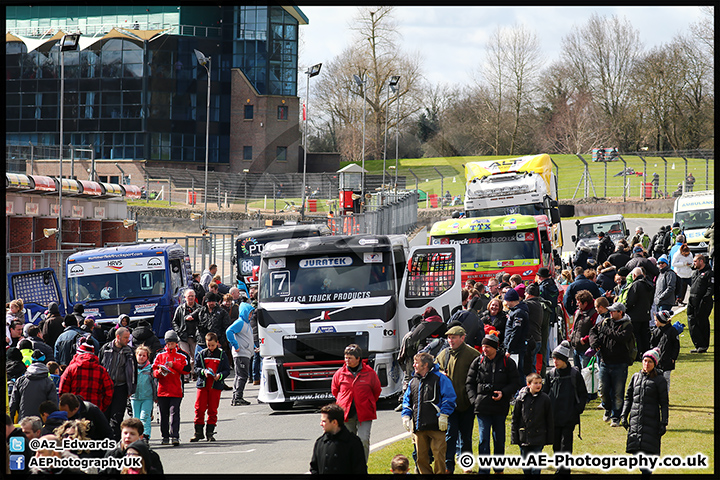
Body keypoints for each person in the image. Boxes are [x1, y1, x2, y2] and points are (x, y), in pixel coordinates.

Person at [466, 334, 519, 474]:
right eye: (483, 346)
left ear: (495, 347)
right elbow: (469, 383)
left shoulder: (508, 362)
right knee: (483, 439)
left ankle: (498, 469)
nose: (484, 349)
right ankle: (484, 470)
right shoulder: (477, 362)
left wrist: (503, 393)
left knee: (499, 439)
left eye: (487, 346)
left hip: (500, 407)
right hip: (482, 407)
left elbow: (515, 382)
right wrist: (474, 400)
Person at [401, 352, 456, 475]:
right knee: (421, 458)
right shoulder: (413, 381)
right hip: (419, 426)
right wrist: (406, 415)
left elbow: (450, 397)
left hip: (437, 426)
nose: (414, 365)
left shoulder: (441, 378)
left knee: (439, 456)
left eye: (416, 363)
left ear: (425, 365)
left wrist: (444, 414)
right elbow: (407, 400)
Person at [435, 325, 480, 473]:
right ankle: (449, 467)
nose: (451, 340)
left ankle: (466, 465)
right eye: (449, 338)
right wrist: (441, 373)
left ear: (462, 338)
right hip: (449, 405)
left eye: (454, 337)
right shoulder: (443, 354)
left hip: (467, 403)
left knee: (466, 437)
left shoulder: (473, 354)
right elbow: (434, 371)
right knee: (450, 436)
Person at [542, 340, 588, 474]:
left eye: (558, 359)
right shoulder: (550, 375)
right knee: (556, 445)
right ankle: (559, 467)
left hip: (569, 416)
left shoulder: (574, 375)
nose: (554, 362)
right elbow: (544, 394)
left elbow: (583, 394)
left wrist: (577, 410)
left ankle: (564, 470)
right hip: (554, 417)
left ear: (565, 360)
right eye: (554, 358)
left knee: (565, 445)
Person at [621, 348, 669, 474]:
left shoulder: (660, 380)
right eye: (645, 361)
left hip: (651, 424)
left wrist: (664, 422)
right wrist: (623, 416)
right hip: (635, 423)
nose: (646, 364)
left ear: (655, 364)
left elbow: (664, 403)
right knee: (637, 455)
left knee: (647, 464)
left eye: (650, 362)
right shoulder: (635, 377)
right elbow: (628, 398)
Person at [331, 344, 381, 462]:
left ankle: (362, 466)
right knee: (346, 441)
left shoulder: (370, 373)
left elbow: (376, 391)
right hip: (346, 414)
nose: (347, 360)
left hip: (364, 413)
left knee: (363, 439)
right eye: (346, 357)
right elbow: (335, 390)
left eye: (350, 358)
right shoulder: (340, 373)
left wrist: (368, 402)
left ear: (358, 359)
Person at [589, 302, 633, 427]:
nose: (610, 313)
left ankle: (616, 416)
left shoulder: (627, 325)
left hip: (620, 363)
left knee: (618, 393)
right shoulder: (605, 322)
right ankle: (607, 408)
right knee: (603, 390)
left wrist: (605, 330)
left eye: (613, 311)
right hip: (604, 362)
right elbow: (593, 331)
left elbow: (621, 338)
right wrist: (594, 342)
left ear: (621, 312)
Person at [98, 326, 137, 441]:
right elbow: (99, 366)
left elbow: (133, 372)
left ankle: (115, 443)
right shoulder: (105, 349)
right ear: (118, 337)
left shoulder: (129, 352)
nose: (127, 340)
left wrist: (131, 389)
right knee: (105, 416)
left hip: (121, 388)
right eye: (125, 338)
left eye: (128, 338)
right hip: (106, 388)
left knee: (117, 418)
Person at [511, 372, 553, 475]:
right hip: (524, 437)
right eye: (536, 383)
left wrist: (549, 438)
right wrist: (514, 437)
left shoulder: (545, 399)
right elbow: (515, 418)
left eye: (540, 383)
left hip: (539, 437)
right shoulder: (521, 398)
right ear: (528, 384)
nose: (539, 385)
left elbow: (549, 419)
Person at [191, 332, 230, 442]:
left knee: (213, 409)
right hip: (203, 385)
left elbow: (226, 370)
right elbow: (196, 368)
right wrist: (203, 372)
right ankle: (198, 432)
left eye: (213, 345)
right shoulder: (202, 353)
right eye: (208, 345)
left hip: (215, 386)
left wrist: (220, 376)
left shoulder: (222, 355)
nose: (211, 347)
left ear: (217, 343)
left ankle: (210, 433)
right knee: (199, 408)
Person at [58, 338, 114, 413]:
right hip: (94, 409)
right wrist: (101, 408)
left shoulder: (71, 369)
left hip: (74, 409)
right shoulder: (102, 371)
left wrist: (68, 409)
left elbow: (62, 391)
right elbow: (109, 392)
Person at [309, 402, 367, 474]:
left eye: (324, 421)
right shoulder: (320, 443)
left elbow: (360, 470)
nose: (321, 424)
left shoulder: (353, 443)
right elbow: (314, 468)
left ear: (334, 422)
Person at [152, 330, 187, 446]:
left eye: (172, 343)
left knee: (174, 414)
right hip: (162, 391)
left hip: (176, 390)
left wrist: (174, 365)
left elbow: (186, 370)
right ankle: (165, 436)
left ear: (176, 343)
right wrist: (160, 372)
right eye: (168, 343)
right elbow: (153, 371)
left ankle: (175, 436)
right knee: (163, 415)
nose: (170, 345)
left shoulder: (182, 355)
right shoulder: (160, 355)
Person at [10, 350, 59, 421]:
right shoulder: (49, 382)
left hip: (24, 423)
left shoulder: (21, 380)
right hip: (41, 424)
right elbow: (53, 405)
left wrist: (10, 422)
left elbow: (13, 403)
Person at [225, 295, 254, 406]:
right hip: (241, 354)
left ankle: (237, 397)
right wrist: (235, 345)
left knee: (240, 375)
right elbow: (229, 331)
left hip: (244, 353)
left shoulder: (245, 323)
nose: (251, 315)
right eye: (249, 313)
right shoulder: (241, 322)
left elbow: (246, 338)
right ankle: (238, 397)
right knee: (242, 375)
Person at [624, 267, 655, 360]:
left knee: (636, 336)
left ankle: (637, 354)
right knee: (645, 335)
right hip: (645, 314)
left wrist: (626, 309)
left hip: (635, 315)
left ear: (634, 275)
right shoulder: (649, 284)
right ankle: (646, 352)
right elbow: (651, 300)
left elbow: (630, 301)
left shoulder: (635, 285)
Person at [687, 254, 713, 354]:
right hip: (692, 300)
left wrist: (704, 300)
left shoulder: (708, 273)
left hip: (703, 302)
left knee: (702, 322)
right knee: (692, 322)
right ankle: (698, 344)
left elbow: (711, 288)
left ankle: (703, 345)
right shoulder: (695, 273)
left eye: (695, 261)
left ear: (701, 261)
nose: (694, 263)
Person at [649, 310, 679, 393]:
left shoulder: (672, 331)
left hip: (667, 360)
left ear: (661, 321)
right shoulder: (656, 331)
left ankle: (664, 397)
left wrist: (673, 357)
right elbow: (652, 344)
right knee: (655, 379)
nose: (655, 322)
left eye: (656, 320)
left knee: (665, 379)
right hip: (657, 360)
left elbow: (676, 346)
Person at [130, 345, 156, 442]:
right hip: (135, 397)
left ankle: (145, 435)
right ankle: (136, 436)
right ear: (136, 355)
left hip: (147, 397)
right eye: (139, 355)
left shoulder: (150, 369)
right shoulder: (132, 367)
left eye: (144, 355)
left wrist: (155, 396)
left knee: (145, 417)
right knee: (136, 418)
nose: (141, 357)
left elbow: (154, 383)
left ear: (147, 357)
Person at [172, 289, 199, 381]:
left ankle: (194, 373)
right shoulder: (180, 309)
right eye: (189, 296)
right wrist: (178, 331)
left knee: (195, 356)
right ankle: (186, 376)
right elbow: (175, 322)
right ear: (185, 298)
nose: (191, 298)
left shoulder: (199, 308)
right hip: (183, 336)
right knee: (184, 356)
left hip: (195, 336)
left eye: (192, 296)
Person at [569, 290, 598, 372]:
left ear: (585, 303)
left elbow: (596, 331)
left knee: (586, 374)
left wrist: (585, 340)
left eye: (578, 302)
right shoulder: (578, 311)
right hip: (576, 347)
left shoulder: (594, 314)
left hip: (586, 350)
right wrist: (572, 336)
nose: (577, 304)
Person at [502, 288, 529, 375]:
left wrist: (509, 349)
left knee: (517, 372)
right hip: (516, 346)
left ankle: (521, 388)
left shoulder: (518, 313)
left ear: (510, 300)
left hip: (516, 348)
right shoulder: (516, 311)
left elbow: (516, 332)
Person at [522, 282, 543, 375]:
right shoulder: (538, 304)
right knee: (532, 365)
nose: (524, 295)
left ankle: (532, 387)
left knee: (529, 367)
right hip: (537, 338)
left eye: (525, 293)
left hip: (531, 340)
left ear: (529, 294)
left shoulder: (528, 304)